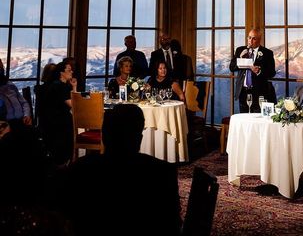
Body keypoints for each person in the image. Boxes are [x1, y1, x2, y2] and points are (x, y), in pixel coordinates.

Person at [56, 103, 181, 235]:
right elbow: (172, 225)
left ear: (104, 136)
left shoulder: (79, 170)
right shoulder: (162, 173)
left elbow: (65, 218)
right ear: (139, 138)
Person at [229, 27, 276, 112]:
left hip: (259, 93)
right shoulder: (240, 50)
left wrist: (259, 71)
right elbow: (231, 68)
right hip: (242, 91)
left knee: (258, 119)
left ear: (259, 40)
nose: (250, 40)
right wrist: (240, 58)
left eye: (254, 38)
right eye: (249, 37)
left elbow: (272, 73)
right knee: (244, 119)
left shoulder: (267, 53)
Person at [41, 59, 77, 165]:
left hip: (57, 120)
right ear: (61, 73)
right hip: (57, 123)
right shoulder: (59, 86)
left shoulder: (63, 85)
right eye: (69, 70)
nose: (72, 72)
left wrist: (74, 86)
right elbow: (73, 105)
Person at [0, 58, 32, 129]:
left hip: (22, 121)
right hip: (6, 126)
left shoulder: (10, 85)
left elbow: (23, 102)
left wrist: (26, 115)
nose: (1, 69)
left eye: (1, 66)